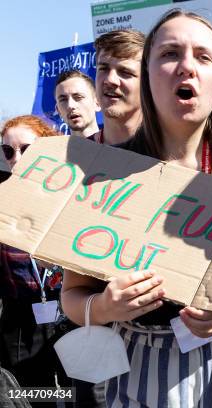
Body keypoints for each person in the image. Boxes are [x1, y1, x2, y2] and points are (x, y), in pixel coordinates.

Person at [61, 9, 212, 407]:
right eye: (170, 54)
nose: (186, 67)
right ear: (147, 75)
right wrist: (106, 306)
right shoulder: (103, 175)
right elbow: (72, 297)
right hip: (140, 367)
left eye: (203, 56)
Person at [0, 115, 70, 407]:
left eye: (27, 149)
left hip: (69, 310)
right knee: (31, 395)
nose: (17, 158)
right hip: (21, 320)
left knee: (78, 392)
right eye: (8, 151)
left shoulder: (72, 196)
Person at [91, 29, 145, 145]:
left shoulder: (172, 155)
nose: (110, 80)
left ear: (147, 83)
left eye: (125, 72)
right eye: (103, 69)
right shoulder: (74, 156)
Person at [54, 69, 100, 137]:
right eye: (63, 100)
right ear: (58, 111)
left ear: (97, 103)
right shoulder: (51, 147)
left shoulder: (117, 145)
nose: (70, 105)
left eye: (78, 97)